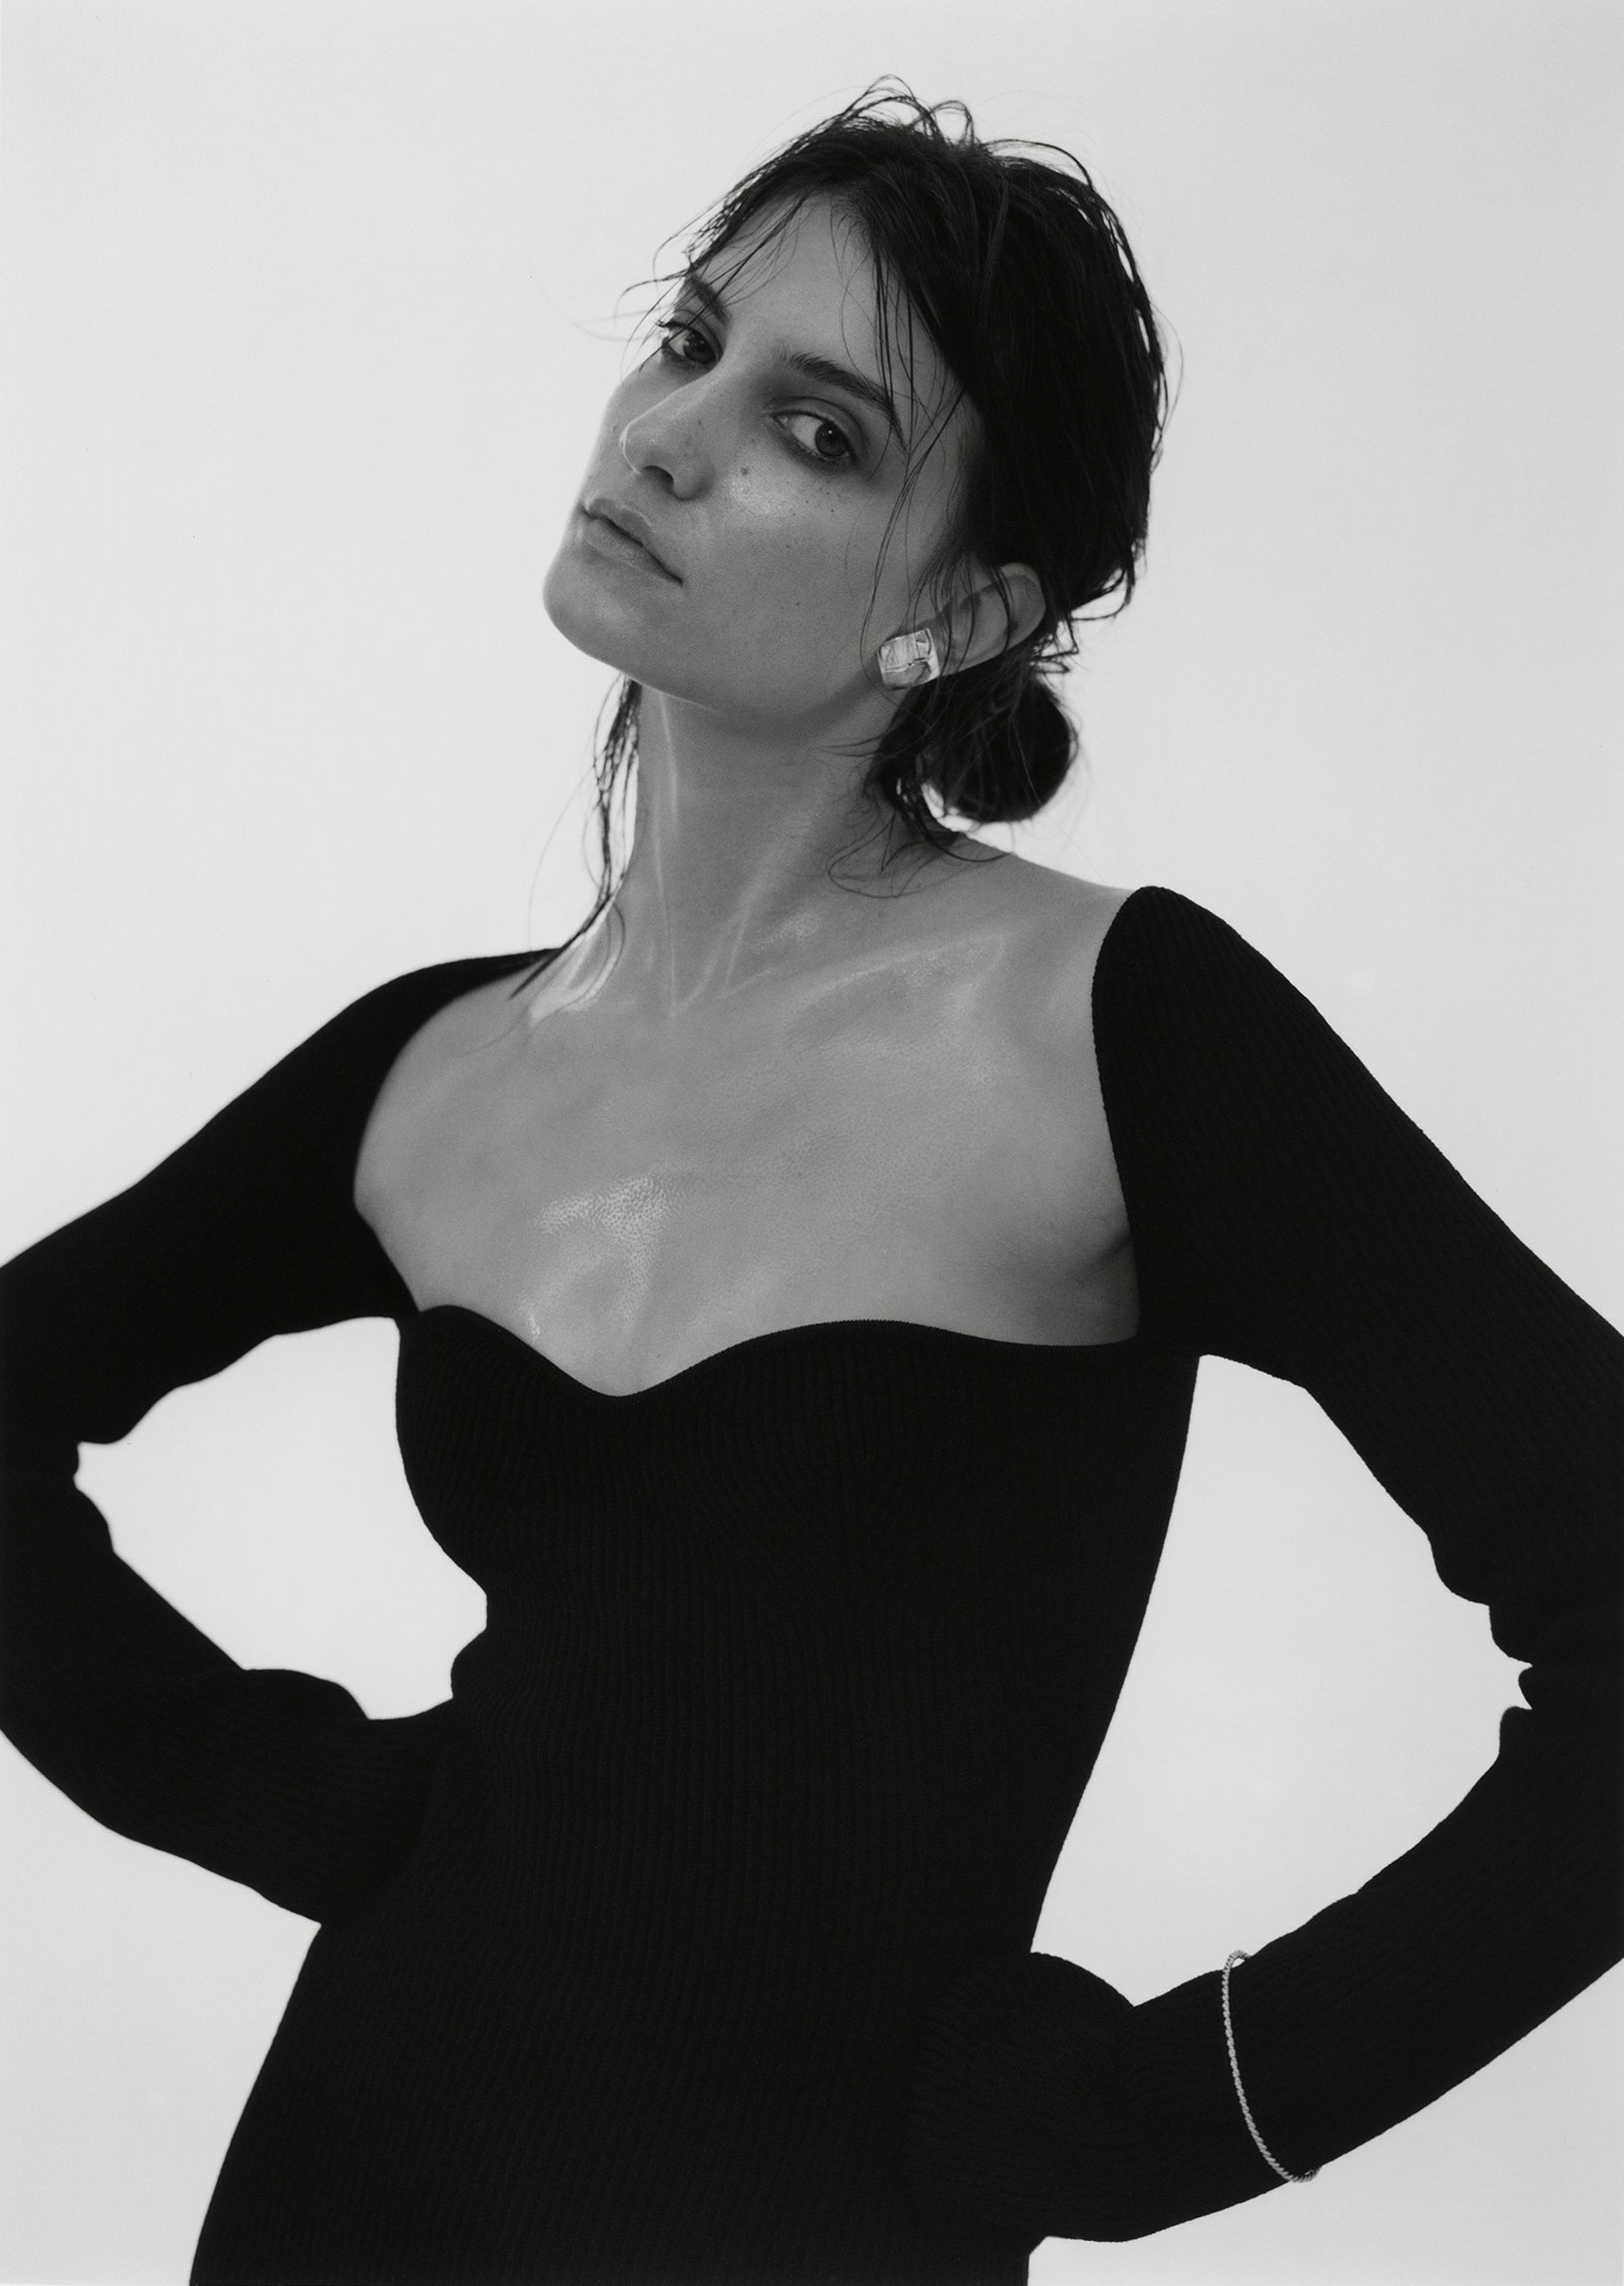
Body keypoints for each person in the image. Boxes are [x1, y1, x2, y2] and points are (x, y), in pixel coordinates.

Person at [1, 82, 1617, 2286]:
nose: (671, 435)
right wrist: (279, 1793)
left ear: (962, 610)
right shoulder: (429, 1067)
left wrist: (1180, 2112)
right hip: (340, 2198)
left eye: (820, 430)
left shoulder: (1114, 1031)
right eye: (689, 342)